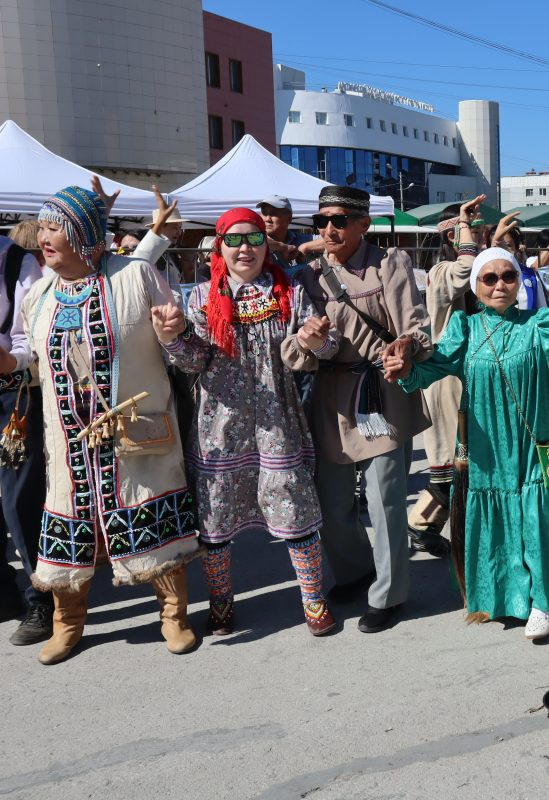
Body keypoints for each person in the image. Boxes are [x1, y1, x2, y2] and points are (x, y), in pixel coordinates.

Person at [385, 247, 549, 640]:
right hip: (484, 450)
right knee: (493, 518)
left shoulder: (541, 323)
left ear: (519, 280)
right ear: (476, 286)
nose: (500, 284)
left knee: (539, 518)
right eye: (490, 278)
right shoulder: (463, 329)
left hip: (536, 444)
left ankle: (544, 598)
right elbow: (429, 371)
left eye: (508, 276)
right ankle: (500, 595)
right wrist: (405, 369)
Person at [7, 186, 200, 664]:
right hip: (68, 441)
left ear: (83, 235)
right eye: (44, 226)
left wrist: (173, 333)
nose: (43, 237)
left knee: (152, 522)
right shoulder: (39, 294)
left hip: (136, 434)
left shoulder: (136, 276)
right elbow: (32, 362)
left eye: (54, 228)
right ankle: (66, 624)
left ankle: (174, 616)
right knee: (68, 527)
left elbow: (188, 356)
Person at [152, 207, 336, 636]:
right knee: (215, 522)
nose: (245, 249)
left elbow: (318, 353)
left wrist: (315, 340)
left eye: (254, 239)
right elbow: (193, 361)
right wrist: (172, 337)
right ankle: (221, 603)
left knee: (295, 510)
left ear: (266, 244)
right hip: (220, 428)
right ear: (220, 246)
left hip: (279, 421)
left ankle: (312, 599)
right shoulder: (201, 297)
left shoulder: (287, 289)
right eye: (233, 240)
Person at [283, 185, 432, 634]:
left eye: (340, 220)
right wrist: (307, 343)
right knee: (330, 503)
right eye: (322, 220)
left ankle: (389, 594)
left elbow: (417, 327)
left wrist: (405, 346)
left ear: (363, 224)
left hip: (378, 392)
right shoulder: (305, 277)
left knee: (385, 499)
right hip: (329, 398)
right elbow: (294, 350)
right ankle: (355, 572)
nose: (329, 228)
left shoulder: (390, 264)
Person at [407, 197, 496, 558]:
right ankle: (421, 526)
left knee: (462, 467)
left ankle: (428, 529)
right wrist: (466, 235)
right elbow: (464, 272)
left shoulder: (463, 268)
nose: (478, 239)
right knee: (450, 467)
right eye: (472, 234)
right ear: (453, 238)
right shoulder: (443, 270)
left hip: (467, 378)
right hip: (448, 383)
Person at [0, 232, 51, 646]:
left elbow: (31, 338)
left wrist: (8, 360)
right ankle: (4, 592)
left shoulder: (18, 262)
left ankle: (44, 598)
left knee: (20, 499)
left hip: (11, 392)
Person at [257, 195, 324, 274]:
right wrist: (281, 247)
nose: (267, 219)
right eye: (264, 213)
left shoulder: (301, 240)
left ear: (289, 218)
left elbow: (337, 240)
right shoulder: (256, 240)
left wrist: (305, 247)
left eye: (273, 214)